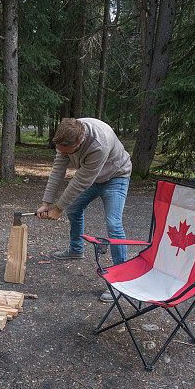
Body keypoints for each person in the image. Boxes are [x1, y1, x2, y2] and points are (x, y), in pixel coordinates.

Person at [37, 117, 132, 302]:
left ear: (79, 143)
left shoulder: (98, 144)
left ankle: (121, 280)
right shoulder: (66, 135)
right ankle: (76, 250)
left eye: (67, 152)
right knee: (74, 209)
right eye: (61, 151)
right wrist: (46, 202)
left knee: (113, 223)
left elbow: (81, 181)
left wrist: (58, 208)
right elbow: (58, 169)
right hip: (94, 177)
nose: (63, 154)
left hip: (116, 176)